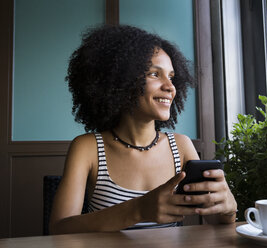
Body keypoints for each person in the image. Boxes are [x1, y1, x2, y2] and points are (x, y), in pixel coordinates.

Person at [49, 24, 237, 234]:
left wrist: (228, 209)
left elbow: (218, 221)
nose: (170, 87)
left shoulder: (181, 146)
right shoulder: (87, 148)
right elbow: (59, 229)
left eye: (172, 77)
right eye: (154, 74)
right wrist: (137, 210)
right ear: (122, 80)